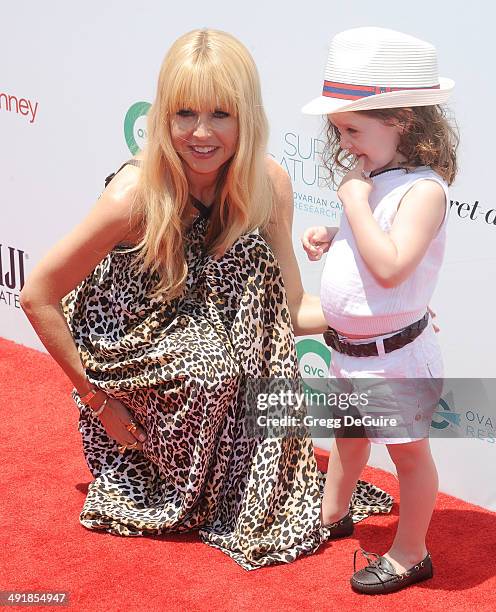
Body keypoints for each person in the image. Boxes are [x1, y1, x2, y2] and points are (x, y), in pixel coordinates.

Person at [20, 28, 391, 571]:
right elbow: (37, 297)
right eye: (184, 113)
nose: (200, 133)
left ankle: (227, 481)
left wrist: (378, 321)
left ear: (247, 118)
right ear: (163, 116)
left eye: (221, 114)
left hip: (204, 331)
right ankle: (173, 480)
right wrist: (99, 403)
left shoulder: (268, 185)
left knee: (253, 313)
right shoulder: (133, 196)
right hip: (129, 347)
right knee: (213, 368)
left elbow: (287, 310)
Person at [301, 27, 458, 592]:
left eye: (353, 129)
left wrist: (350, 202)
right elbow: (367, 255)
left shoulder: (424, 191)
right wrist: (331, 234)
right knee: (348, 435)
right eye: (339, 131)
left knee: (410, 461)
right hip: (350, 354)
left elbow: (392, 266)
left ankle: (412, 552)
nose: (345, 144)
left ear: (402, 121)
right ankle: (333, 514)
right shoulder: (374, 182)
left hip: (393, 360)